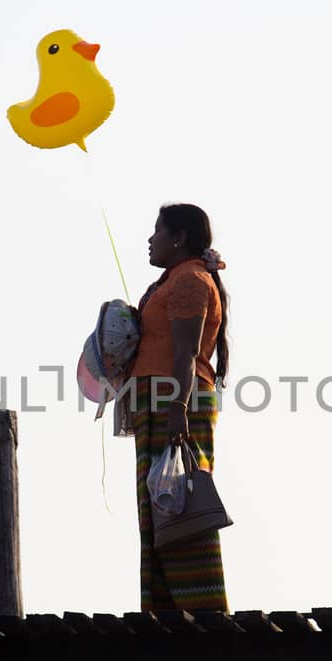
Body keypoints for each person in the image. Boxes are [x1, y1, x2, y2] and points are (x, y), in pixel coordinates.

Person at [128, 203, 231, 612]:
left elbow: (186, 353)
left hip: (175, 402)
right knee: (158, 504)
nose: (150, 239)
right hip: (158, 401)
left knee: (181, 502)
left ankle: (202, 610)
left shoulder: (189, 280)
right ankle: (165, 608)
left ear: (179, 238)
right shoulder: (173, 279)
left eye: (157, 230)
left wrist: (177, 409)